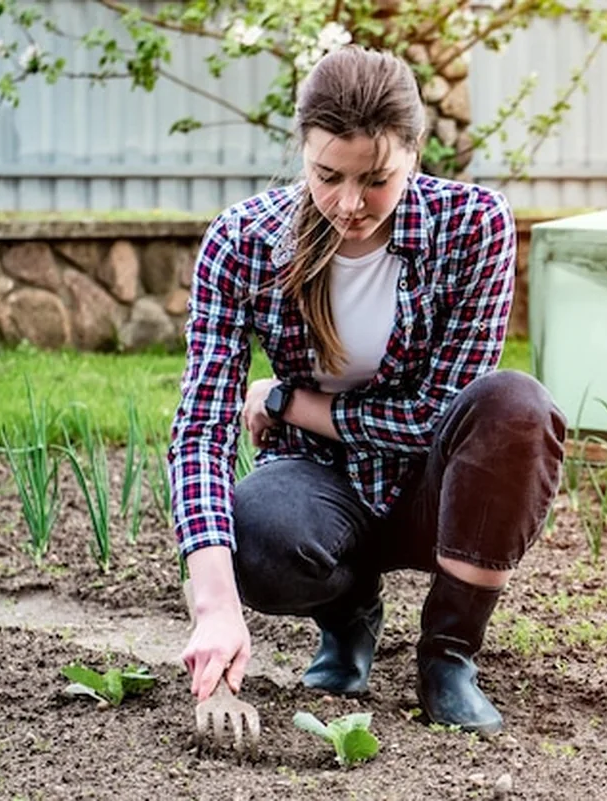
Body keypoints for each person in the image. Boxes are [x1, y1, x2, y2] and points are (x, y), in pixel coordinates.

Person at [167, 44, 567, 737]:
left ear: (414, 152)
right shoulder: (243, 241)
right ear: (303, 151)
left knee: (517, 408)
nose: (350, 204)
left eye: (376, 180)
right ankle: (348, 617)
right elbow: (200, 429)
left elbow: (435, 416)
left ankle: (448, 655)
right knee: (251, 535)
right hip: (320, 479)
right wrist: (215, 606)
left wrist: (287, 402)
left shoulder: (475, 224)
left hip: (435, 487)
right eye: (328, 176)